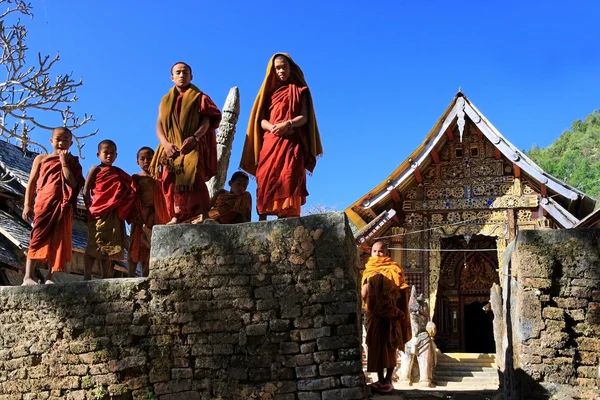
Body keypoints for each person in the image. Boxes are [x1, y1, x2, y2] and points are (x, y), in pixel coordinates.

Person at [240, 53, 323, 220]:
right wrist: (272, 128)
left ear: (290, 68)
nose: (281, 70)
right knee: (265, 176)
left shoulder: (300, 91)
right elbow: (261, 120)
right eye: (277, 68)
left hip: (291, 141)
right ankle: (262, 217)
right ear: (272, 70)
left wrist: (288, 124)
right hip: (271, 140)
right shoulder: (268, 93)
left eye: (284, 66)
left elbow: (304, 117)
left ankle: (288, 215)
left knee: (290, 175)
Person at [149, 62, 222, 225]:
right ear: (172, 77)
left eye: (185, 72)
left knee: (195, 179)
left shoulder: (200, 97)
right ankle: (176, 216)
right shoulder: (165, 100)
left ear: (191, 76)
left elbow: (207, 121)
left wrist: (195, 138)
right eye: (178, 72)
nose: (182, 75)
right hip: (170, 148)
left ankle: (203, 214)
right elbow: (159, 124)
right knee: (170, 182)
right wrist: (165, 144)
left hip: (191, 146)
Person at [22, 127, 85, 285]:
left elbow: (73, 183)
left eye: (65, 140)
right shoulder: (41, 159)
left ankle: (50, 276)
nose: (61, 143)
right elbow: (31, 183)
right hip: (43, 203)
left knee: (58, 239)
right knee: (37, 237)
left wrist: (64, 163)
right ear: (51, 141)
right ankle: (28, 276)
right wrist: (27, 204)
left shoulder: (73, 162)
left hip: (62, 205)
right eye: (58, 139)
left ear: (70, 144)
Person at [361, 241, 411, 394]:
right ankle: (379, 379)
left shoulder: (393, 269)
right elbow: (363, 294)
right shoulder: (368, 270)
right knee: (374, 347)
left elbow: (401, 291)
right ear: (371, 253)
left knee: (390, 347)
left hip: (390, 315)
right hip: (374, 316)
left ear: (387, 253)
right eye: (374, 251)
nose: (377, 254)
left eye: (381, 251)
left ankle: (388, 380)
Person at [83, 140, 135, 280]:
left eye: (112, 153)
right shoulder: (96, 169)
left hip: (113, 213)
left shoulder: (117, 172)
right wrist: (89, 207)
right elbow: (86, 190)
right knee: (95, 243)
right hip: (98, 211)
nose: (109, 156)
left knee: (109, 246)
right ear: (98, 154)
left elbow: (130, 187)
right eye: (106, 153)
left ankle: (105, 276)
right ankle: (87, 275)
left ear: (116, 155)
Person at [128, 146, 156, 277]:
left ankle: (147, 274)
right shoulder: (135, 178)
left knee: (151, 246)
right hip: (139, 216)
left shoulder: (160, 179)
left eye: (150, 158)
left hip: (155, 216)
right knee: (135, 243)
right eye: (142, 159)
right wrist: (136, 213)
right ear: (137, 162)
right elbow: (131, 197)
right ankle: (131, 274)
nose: (146, 161)